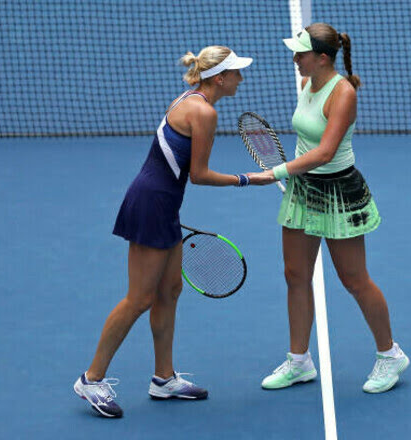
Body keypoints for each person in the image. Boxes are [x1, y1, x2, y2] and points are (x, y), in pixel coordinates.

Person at [73, 46, 272, 418]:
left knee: (169, 291)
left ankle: (163, 378)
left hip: (163, 205)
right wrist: (247, 179)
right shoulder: (205, 112)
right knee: (138, 299)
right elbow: (199, 175)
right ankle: (91, 378)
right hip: (151, 205)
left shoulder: (189, 98)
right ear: (220, 79)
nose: (241, 79)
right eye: (236, 73)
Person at [254, 23, 409, 394]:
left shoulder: (343, 93)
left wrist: (274, 173)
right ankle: (299, 362)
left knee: (354, 279)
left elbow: (325, 152)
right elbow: (306, 143)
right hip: (303, 188)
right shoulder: (307, 82)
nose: (295, 59)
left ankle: (390, 354)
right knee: (295, 274)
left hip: (339, 192)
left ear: (322, 58)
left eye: (301, 53)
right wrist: (294, 176)